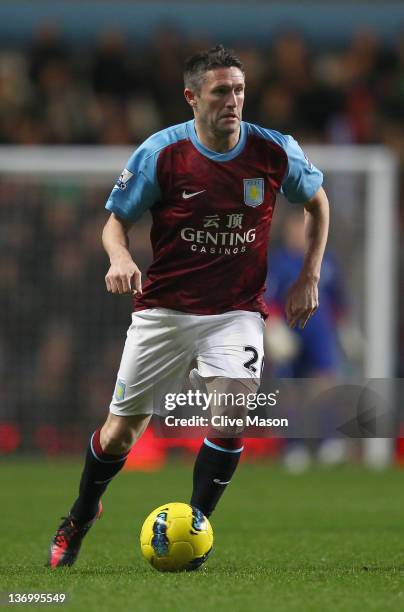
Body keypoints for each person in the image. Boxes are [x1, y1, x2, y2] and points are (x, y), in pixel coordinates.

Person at [47, 44, 329, 568]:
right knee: (119, 434)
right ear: (191, 97)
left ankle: (195, 527)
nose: (233, 100)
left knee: (233, 413)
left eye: (239, 90)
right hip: (165, 312)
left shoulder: (273, 150)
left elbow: (317, 202)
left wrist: (309, 275)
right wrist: (118, 258)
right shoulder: (161, 153)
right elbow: (114, 222)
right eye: (221, 91)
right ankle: (81, 514)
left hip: (235, 312)